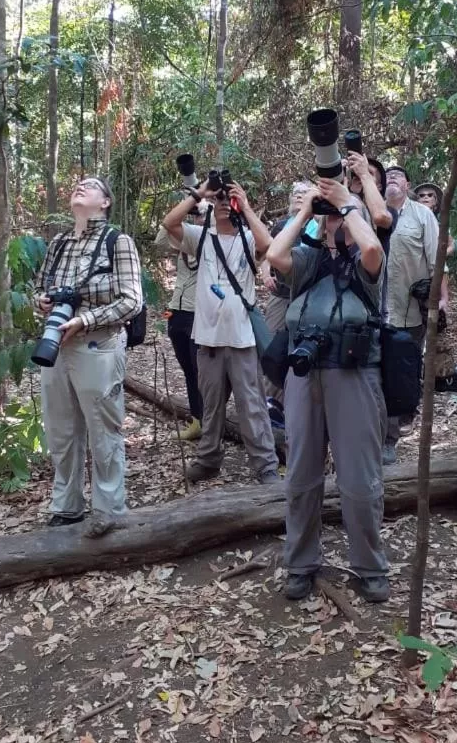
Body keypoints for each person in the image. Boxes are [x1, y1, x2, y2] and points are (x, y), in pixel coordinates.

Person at [267, 178, 390, 603]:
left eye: (338, 215)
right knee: (301, 474)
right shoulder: (308, 260)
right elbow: (273, 254)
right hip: (304, 375)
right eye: (330, 215)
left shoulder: (366, 262)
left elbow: (373, 249)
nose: (333, 220)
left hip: (354, 375)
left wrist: (349, 204)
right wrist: (308, 212)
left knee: (359, 478)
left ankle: (370, 566)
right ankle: (300, 563)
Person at [34, 176, 144, 536]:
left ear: (106, 202)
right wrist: (44, 301)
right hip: (57, 343)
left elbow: (132, 299)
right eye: (77, 185)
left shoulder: (118, 241)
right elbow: (41, 286)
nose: (80, 187)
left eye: (91, 185)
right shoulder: (59, 243)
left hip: (97, 344)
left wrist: (85, 319)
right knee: (61, 432)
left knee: (103, 429)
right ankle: (66, 508)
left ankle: (109, 508)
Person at [162, 178, 280, 485]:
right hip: (209, 339)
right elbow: (169, 222)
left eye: (231, 198)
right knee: (210, 405)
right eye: (221, 198)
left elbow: (270, 247)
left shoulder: (248, 238)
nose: (225, 202)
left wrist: (248, 205)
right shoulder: (200, 237)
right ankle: (208, 459)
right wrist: (200, 194)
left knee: (252, 405)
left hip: (242, 338)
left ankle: (266, 465)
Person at [383, 165, 448, 464]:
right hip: (373, 312)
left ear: (407, 184)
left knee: (404, 372)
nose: (392, 178)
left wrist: (442, 298)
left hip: (410, 311)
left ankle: (391, 437)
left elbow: (437, 261)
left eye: (398, 175)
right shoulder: (371, 213)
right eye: (387, 175)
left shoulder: (422, 216)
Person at [259, 181, 318, 415]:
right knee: (273, 344)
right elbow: (267, 254)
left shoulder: (318, 224)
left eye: (304, 194)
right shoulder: (283, 225)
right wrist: (265, 275)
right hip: (281, 295)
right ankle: (271, 402)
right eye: (295, 194)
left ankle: (296, 403)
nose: (299, 197)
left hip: (307, 298)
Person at [413, 181, 457, 392]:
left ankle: (442, 374)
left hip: (437, 275)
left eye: (430, 195)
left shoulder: (440, 224)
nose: (425, 198)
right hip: (415, 278)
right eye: (421, 195)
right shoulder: (409, 219)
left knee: (437, 326)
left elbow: (452, 244)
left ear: (436, 201)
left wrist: (440, 255)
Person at [154, 203, 205, 440]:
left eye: (204, 215)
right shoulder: (184, 241)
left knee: (201, 369)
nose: (199, 219)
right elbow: (161, 241)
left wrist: (211, 216)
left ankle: (208, 419)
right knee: (188, 370)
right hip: (177, 311)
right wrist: (186, 207)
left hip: (200, 313)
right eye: (197, 216)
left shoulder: (215, 242)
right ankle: (197, 421)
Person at [345, 154, 395, 320]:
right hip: (334, 295)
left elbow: (379, 216)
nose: (359, 174)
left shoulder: (389, 213)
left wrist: (365, 175)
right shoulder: (336, 209)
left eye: (369, 172)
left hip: (369, 302)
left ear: (379, 186)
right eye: (356, 173)